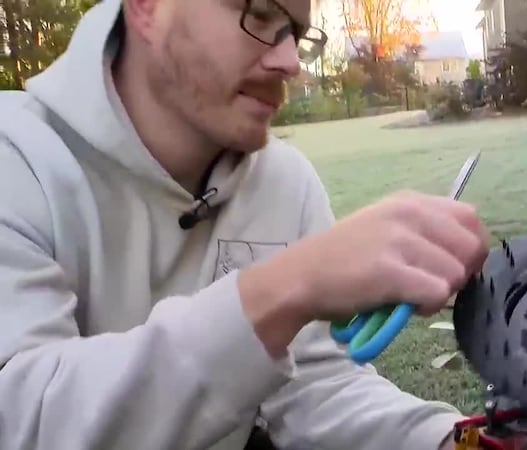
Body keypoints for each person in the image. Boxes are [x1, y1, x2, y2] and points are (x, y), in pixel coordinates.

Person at [0, 0, 490, 449]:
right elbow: (23, 419)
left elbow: (317, 389)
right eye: (258, 14)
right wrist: (287, 287)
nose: (290, 62)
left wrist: (456, 443)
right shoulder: (16, 157)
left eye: (295, 33)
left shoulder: (285, 180)